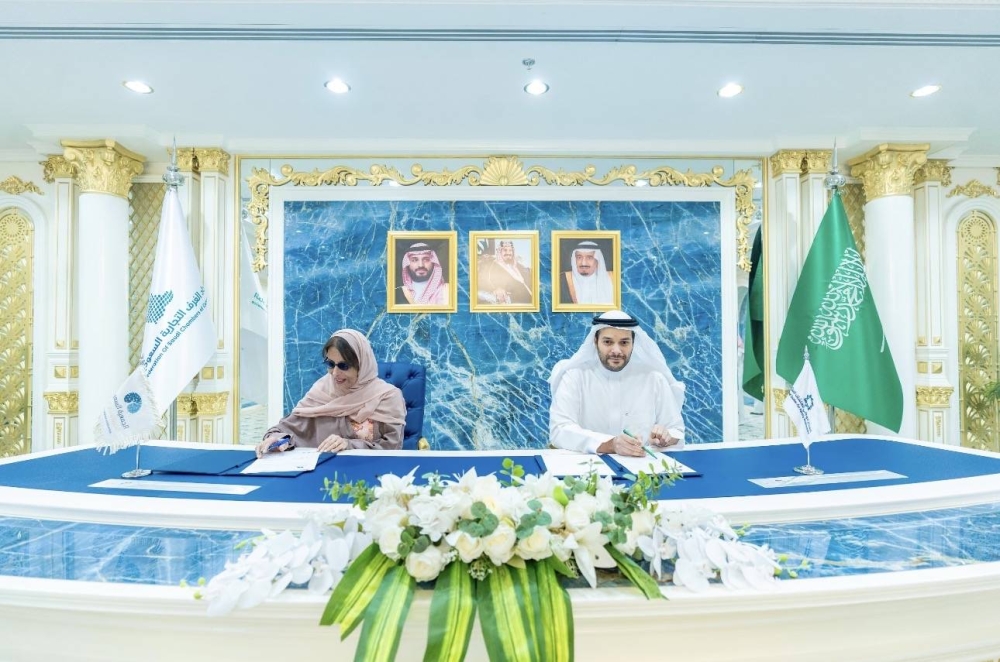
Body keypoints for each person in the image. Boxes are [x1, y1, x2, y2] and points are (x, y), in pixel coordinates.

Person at [548, 310, 686, 456]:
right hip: (588, 464)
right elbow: (560, 429)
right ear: (595, 341)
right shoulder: (575, 375)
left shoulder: (654, 378)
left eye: (624, 342)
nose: (616, 350)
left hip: (641, 464)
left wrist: (665, 437)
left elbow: (676, 430)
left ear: (633, 343)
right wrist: (611, 444)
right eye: (608, 342)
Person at [256, 329, 406, 456]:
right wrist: (277, 439)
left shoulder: (388, 397)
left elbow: (392, 448)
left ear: (362, 366)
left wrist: (349, 445)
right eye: (330, 364)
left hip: (368, 472)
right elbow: (284, 429)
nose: (335, 373)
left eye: (343, 366)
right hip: (320, 474)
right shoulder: (321, 390)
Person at [559, 239, 615, 305]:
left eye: (589, 257)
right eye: (579, 257)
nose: (583, 263)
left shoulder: (614, 279)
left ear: (597, 260)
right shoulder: (561, 280)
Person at [477, 239, 533, 304]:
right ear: (499, 252)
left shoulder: (517, 265)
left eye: (510, 250)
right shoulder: (492, 265)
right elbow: (484, 280)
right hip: (514, 303)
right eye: (505, 250)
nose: (508, 253)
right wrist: (496, 289)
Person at [396, 241, 450, 306]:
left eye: (426, 259)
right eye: (414, 260)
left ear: (433, 262)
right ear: (407, 264)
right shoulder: (398, 293)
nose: (421, 265)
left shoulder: (448, 290)